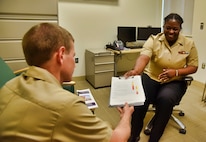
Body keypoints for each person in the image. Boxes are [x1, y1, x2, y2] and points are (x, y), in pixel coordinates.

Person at [0, 23, 134, 142]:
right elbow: (118, 139)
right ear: (61, 55)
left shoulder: (8, 87)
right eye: (73, 56)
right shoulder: (67, 106)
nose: (75, 64)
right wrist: (126, 116)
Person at [124, 13, 198, 142]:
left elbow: (193, 66)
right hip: (151, 77)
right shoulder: (153, 39)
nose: (171, 31)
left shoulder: (189, 43)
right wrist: (136, 70)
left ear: (180, 29)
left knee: (165, 99)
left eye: (175, 29)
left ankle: (154, 138)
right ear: (163, 27)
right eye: (168, 27)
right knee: (140, 101)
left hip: (174, 81)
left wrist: (175, 72)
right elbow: (144, 56)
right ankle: (134, 135)